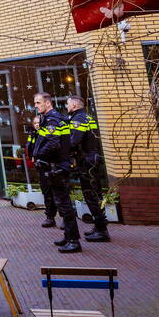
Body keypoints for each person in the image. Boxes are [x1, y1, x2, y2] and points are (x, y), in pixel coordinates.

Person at [31, 92, 80, 253]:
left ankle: (73, 241)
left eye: (38, 103)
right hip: (55, 166)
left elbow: (53, 143)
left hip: (57, 167)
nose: (36, 106)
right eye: (35, 103)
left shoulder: (53, 119)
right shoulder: (50, 118)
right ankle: (68, 236)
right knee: (61, 203)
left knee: (64, 205)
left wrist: (39, 155)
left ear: (48, 103)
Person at [66, 95, 110, 242]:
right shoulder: (88, 117)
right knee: (94, 193)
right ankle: (99, 226)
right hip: (93, 159)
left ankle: (102, 230)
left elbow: (74, 141)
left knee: (91, 194)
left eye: (68, 104)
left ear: (74, 106)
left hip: (87, 161)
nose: (66, 107)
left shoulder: (78, 119)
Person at [26, 115, 57, 227]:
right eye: (35, 123)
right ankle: (50, 217)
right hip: (41, 166)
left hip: (51, 165)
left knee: (57, 192)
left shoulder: (48, 132)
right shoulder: (34, 135)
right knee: (46, 192)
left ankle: (64, 218)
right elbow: (29, 147)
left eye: (38, 123)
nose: (37, 125)